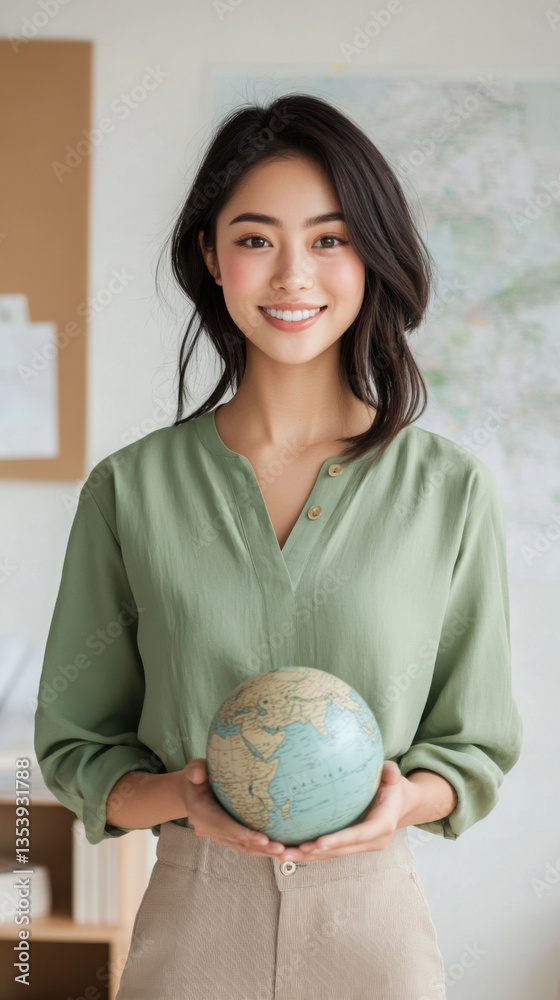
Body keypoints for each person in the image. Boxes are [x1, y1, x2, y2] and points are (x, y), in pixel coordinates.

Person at [34, 93, 523, 999]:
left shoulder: (449, 491)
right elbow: (77, 747)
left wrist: (401, 801)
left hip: (374, 931)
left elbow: (474, 745)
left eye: (330, 239)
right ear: (210, 257)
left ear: (372, 256)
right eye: (256, 239)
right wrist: (185, 799)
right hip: (191, 925)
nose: (293, 275)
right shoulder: (131, 490)